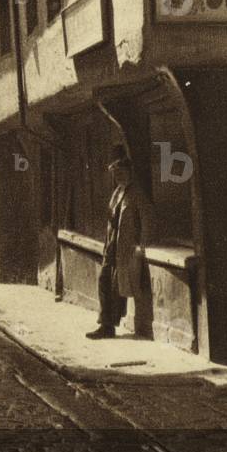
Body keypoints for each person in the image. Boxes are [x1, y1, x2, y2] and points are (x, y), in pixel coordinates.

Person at [86, 146, 154, 340]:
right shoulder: (117, 193)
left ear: (128, 172)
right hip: (111, 245)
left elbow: (147, 221)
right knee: (104, 281)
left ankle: (109, 326)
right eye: (115, 174)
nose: (118, 176)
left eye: (121, 172)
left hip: (125, 247)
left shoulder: (136, 194)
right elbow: (111, 218)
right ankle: (105, 325)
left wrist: (141, 246)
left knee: (117, 286)